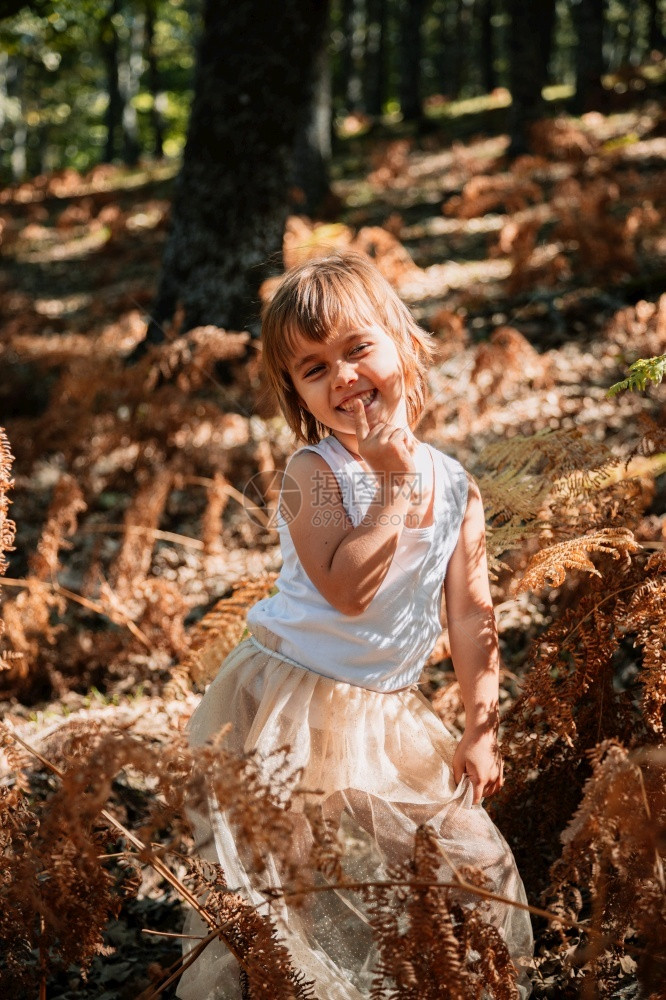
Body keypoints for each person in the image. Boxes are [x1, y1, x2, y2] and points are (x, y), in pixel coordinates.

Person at [177, 252, 533, 999]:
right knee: (287, 880)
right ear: (296, 394)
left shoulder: (454, 485)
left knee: (467, 860)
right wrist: (395, 489)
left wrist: (480, 724)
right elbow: (346, 587)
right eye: (313, 368)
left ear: (403, 343)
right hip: (285, 703)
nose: (341, 376)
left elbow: (470, 612)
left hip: (382, 711)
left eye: (357, 348)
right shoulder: (315, 473)